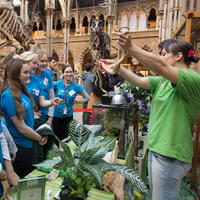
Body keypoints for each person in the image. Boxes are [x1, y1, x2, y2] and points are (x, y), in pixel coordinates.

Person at [99, 33, 200, 200]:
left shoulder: (192, 79)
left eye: (163, 54)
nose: (160, 57)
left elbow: (160, 66)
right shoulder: (163, 81)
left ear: (178, 56)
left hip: (170, 154)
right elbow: (140, 82)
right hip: (156, 149)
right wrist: (118, 68)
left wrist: (131, 48)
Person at [1, 58, 48, 178]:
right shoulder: (8, 96)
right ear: (15, 74)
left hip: (29, 143)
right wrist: (39, 137)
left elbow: (31, 115)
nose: (29, 75)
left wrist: (44, 129)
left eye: (28, 72)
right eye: (25, 72)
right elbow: (21, 128)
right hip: (20, 148)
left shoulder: (22, 91)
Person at [53, 64, 89, 146]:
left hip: (68, 116)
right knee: (55, 138)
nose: (69, 74)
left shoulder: (76, 86)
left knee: (65, 139)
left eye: (70, 72)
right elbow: (47, 90)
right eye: (66, 72)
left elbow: (87, 98)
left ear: (73, 73)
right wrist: (52, 100)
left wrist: (77, 101)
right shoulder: (57, 84)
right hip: (56, 115)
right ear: (63, 73)